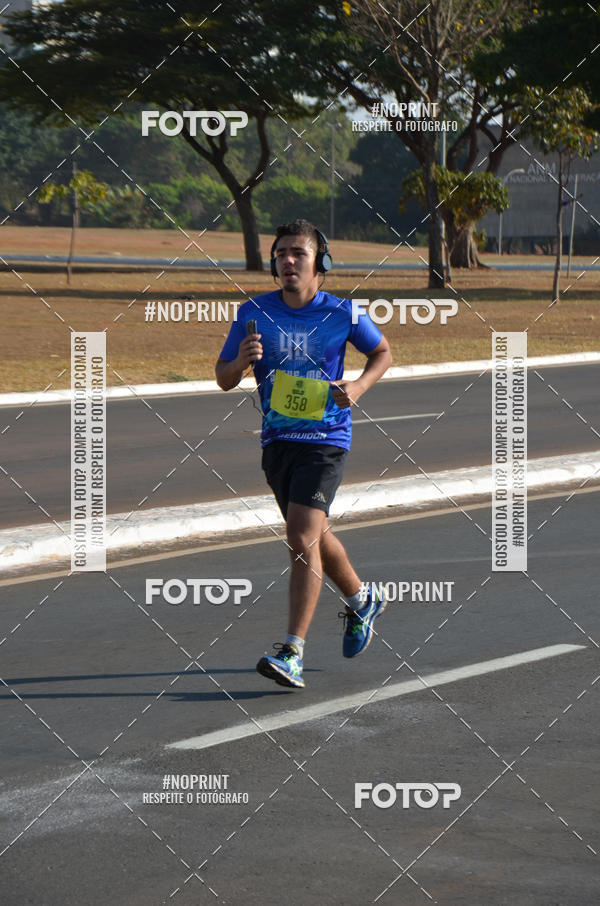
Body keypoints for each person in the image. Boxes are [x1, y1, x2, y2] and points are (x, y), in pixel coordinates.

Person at [215, 219, 392, 689]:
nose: (289, 261)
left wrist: (356, 385)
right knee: (311, 534)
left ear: (321, 264)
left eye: (299, 253)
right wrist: (240, 361)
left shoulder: (344, 314)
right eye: (281, 254)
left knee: (300, 537)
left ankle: (291, 649)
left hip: (327, 439)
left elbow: (383, 354)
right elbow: (223, 377)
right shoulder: (252, 313)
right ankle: (361, 599)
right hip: (278, 442)